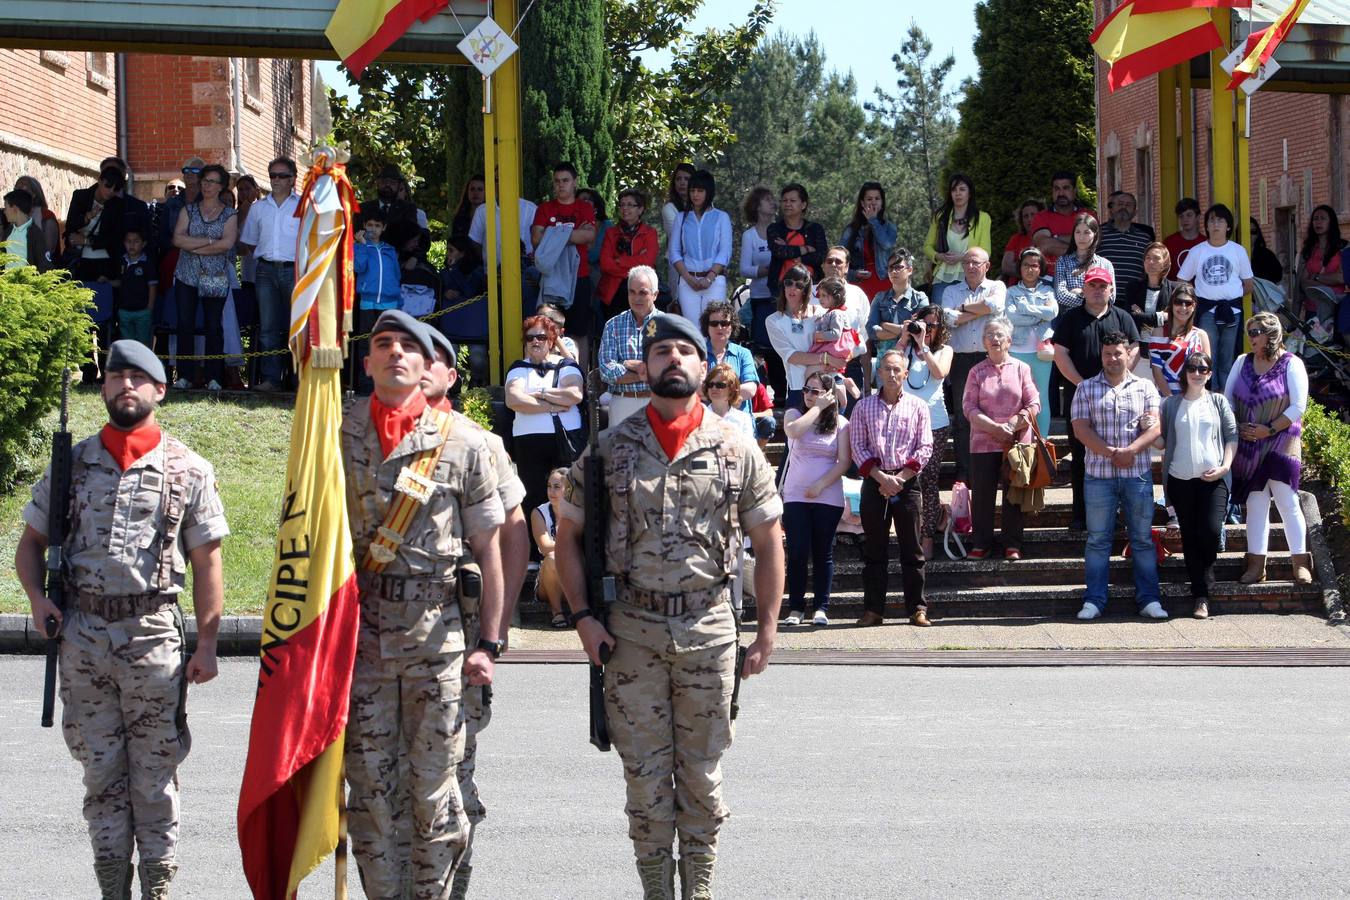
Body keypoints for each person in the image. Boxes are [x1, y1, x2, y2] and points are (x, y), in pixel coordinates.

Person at [552, 313, 785, 900]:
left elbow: (768, 541)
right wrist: (582, 616)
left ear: (704, 367)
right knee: (645, 779)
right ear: (645, 367)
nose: (674, 360)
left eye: (685, 351)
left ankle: (699, 889)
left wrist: (767, 633)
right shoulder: (609, 449)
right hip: (630, 631)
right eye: (662, 352)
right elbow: (569, 536)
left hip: (709, 628)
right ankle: (657, 890)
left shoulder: (736, 447)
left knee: (703, 777)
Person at [14, 340, 227, 899]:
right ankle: (113, 887)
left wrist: (207, 642)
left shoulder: (189, 469)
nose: (125, 386)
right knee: (100, 772)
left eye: (139, 378)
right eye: (116, 377)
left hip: (153, 634)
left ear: (159, 390)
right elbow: (30, 545)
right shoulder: (73, 463)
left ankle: (156, 889)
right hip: (82, 637)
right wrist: (38, 601)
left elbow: (208, 561)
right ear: (103, 388)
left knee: (154, 776)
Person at [340, 310, 505, 899]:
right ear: (367, 362)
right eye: (382, 344)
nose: (395, 354)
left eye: (407, 346)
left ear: (423, 363)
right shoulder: (333, 435)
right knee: (369, 791)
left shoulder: (462, 443)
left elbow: (491, 551)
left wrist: (489, 643)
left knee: (435, 791)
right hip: (359, 644)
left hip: (438, 641)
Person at [417, 323, 529, 898]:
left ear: (452, 376)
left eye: (433, 359)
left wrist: (496, 627)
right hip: (390, 634)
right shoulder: (368, 438)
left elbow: (514, 536)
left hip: (457, 629)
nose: (419, 366)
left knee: (455, 767)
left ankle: (456, 886)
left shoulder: (480, 444)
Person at [1070, 331, 1166, 620]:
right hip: (1099, 475)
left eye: (1118, 353)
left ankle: (1149, 599)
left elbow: (1155, 427)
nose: (1112, 358)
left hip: (1137, 474)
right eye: (1107, 353)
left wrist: (1131, 451)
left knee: (1142, 539)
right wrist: (1113, 452)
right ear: (1102, 355)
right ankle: (1094, 600)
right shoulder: (1085, 388)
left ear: (1128, 354)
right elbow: (1080, 429)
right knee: (1098, 539)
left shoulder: (1146, 387)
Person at [1225, 312, 1312, 585]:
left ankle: (1300, 563)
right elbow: (1227, 399)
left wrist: (1270, 428)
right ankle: (1256, 565)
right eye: (1249, 333)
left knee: (1287, 500)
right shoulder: (1242, 362)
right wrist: (1237, 426)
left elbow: (1299, 406)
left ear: (1271, 335)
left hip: (1281, 440)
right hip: (1249, 444)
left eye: (1256, 333)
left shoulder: (1291, 364)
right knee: (1255, 503)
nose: (1251, 338)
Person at [1052, 266, 1141, 531]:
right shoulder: (1070, 318)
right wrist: (1084, 385)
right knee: (1081, 456)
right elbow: (1060, 353)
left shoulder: (1123, 317)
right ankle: (1081, 516)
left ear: (1111, 289)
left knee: (1116, 454)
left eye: (1103, 286)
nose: (1098, 290)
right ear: (1084, 289)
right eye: (1093, 285)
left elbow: (1134, 348)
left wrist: (1120, 380)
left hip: (1118, 399)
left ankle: (1117, 516)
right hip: (1081, 398)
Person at [851, 349, 933, 626]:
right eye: (887, 368)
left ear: (906, 374)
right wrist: (881, 478)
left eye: (898, 369)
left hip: (907, 484)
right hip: (875, 483)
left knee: (912, 549)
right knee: (875, 550)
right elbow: (858, 447)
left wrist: (900, 477)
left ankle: (917, 609)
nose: (892, 373)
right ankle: (873, 610)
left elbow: (925, 447)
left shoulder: (918, 406)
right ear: (879, 372)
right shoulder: (863, 407)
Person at [1156, 351, 1237, 618]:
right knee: (1190, 538)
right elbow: (1162, 442)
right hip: (1180, 480)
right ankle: (1201, 595)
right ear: (1185, 372)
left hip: (1214, 480)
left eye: (1203, 369)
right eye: (1192, 368)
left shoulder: (1218, 401)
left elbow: (1231, 437)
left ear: (1210, 374)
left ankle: (1206, 577)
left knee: (1212, 532)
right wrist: (1146, 427)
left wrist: (1225, 466)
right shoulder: (1170, 405)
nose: (1197, 373)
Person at [963, 318, 1040, 560]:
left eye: (1000, 335)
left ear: (1009, 340)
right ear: (984, 342)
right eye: (990, 335)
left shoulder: (1021, 368)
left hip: (1016, 443)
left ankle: (1012, 544)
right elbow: (968, 407)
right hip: (983, 443)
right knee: (983, 495)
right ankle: (981, 543)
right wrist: (995, 428)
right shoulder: (976, 371)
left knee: (1014, 495)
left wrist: (1011, 425)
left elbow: (1034, 403)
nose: (995, 339)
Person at [781, 371, 852, 626]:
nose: (809, 395)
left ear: (829, 395)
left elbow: (844, 461)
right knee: (798, 551)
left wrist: (820, 484)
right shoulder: (795, 414)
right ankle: (796, 608)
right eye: (807, 390)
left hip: (827, 495)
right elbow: (793, 432)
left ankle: (821, 606)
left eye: (816, 391)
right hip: (795, 495)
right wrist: (816, 408)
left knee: (823, 553)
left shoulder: (841, 423)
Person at [506, 313, 585, 533]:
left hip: (565, 439)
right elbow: (514, 399)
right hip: (529, 442)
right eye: (530, 338)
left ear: (551, 340)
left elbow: (574, 395)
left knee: (568, 493)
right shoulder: (518, 368)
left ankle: (571, 546)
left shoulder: (566, 365)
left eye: (540, 337)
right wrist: (552, 406)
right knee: (532, 494)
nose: (535, 342)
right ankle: (535, 552)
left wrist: (538, 393)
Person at [941, 247, 1007, 483]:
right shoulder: (951, 290)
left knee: (994, 413)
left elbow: (994, 306)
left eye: (975, 262)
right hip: (961, 361)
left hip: (990, 358)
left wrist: (961, 311)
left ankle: (994, 470)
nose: (970, 266)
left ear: (987, 266)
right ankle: (965, 471)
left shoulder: (997, 287)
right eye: (967, 262)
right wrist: (980, 309)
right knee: (962, 416)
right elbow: (948, 320)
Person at [171, 163, 236, 391]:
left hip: (215, 276)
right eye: (205, 180)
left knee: (213, 327)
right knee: (185, 325)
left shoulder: (229, 214)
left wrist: (195, 246)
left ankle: (214, 378)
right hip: (186, 276)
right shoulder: (188, 210)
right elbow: (178, 239)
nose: (206, 185)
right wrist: (210, 242)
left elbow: (227, 244)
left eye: (212, 181)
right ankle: (185, 376)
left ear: (221, 186)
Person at [239, 157, 301, 392]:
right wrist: (268, 258)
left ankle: (299, 380)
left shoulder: (303, 205)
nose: (275, 180)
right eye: (272, 175)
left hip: (295, 270)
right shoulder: (258, 208)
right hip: (264, 271)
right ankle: (271, 379)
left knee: (298, 326)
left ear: (293, 179)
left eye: (281, 176)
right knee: (268, 328)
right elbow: (250, 243)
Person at [1176, 203, 1253, 389]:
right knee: (1208, 356)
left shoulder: (1237, 250)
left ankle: (1227, 397)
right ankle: (1209, 394)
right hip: (1206, 310)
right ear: (1207, 226)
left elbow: (1249, 284)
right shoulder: (1197, 251)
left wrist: (1232, 297)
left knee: (1228, 357)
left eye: (1220, 220)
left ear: (1228, 226)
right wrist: (1193, 300)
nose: (1215, 224)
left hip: (1232, 311)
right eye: (1212, 220)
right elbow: (1182, 281)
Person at [896, 304, 951, 559]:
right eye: (923, 324)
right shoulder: (905, 349)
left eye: (932, 326)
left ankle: (927, 536)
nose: (926, 330)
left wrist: (924, 346)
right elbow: (890, 370)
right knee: (907, 480)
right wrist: (904, 338)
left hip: (935, 423)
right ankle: (909, 534)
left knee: (928, 481)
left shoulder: (943, 350)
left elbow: (939, 372)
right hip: (905, 423)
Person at [599, 265, 662, 425]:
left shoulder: (668, 325)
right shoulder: (613, 325)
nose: (636, 298)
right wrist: (645, 373)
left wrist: (627, 365)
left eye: (643, 292)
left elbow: (667, 370)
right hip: (622, 403)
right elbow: (606, 371)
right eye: (632, 292)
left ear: (655, 295)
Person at [668, 169, 732, 323]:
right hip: (687, 281)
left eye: (700, 190)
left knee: (714, 327)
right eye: (692, 190)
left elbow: (725, 252)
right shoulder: (681, 217)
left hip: (714, 281)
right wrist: (688, 278)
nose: (695, 195)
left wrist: (709, 278)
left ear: (708, 192)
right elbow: (674, 252)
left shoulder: (721, 217)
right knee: (693, 331)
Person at [1005, 248, 1057, 435]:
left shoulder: (1048, 290)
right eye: (1026, 265)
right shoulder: (1010, 292)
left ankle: (1041, 439)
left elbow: (1052, 313)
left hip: (1041, 353)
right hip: (1016, 350)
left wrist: (1026, 308)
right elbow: (1012, 317)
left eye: (1034, 265)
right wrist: (1038, 314)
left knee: (1041, 396)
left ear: (1040, 268)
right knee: (1016, 396)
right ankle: (1018, 440)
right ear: (1020, 267)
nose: (1030, 269)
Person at [766, 264, 830, 410]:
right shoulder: (773, 320)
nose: (792, 288)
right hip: (798, 389)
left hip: (825, 386)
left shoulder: (821, 313)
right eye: (788, 283)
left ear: (806, 289)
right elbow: (792, 356)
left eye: (798, 285)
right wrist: (826, 358)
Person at [351, 209, 402, 395]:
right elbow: (359, 267)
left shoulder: (390, 250)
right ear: (364, 226)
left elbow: (396, 276)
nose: (373, 229)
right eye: (370, 225)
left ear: (384, 228)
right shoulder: (358, 247)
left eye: (377, 226)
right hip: (368, 303)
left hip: (390, 304)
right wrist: (362, 245)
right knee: (366, 344)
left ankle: (387, 385)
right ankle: (366, 386)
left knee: (388, 344)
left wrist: (399, 300)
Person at [924, 173, 992, 305]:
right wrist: (939, 256)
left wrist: (962, 257)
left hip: (971, 275)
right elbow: (927, 246)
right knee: (940, 319)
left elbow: (986, 252)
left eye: (962, 189)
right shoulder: (939, 217)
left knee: (967, 316)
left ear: (970, 193)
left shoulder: (983, 218)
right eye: (954, 190)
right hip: (942, 276)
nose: (958, 194)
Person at [596, 188, 659, 324]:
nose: (625, 208)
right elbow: (605, 264)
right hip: (613, 291)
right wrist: (636, 261)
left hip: (642, 288)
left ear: (641, 209)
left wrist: (619, 260)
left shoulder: (649, 233)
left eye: (630, 205)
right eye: (622, 204)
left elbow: (647, 262)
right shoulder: (611, 233)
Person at [817, 246, 874, 396]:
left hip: (849, 364)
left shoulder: (857, 294)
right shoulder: (811, 294)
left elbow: (863, 336)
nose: (834, 264)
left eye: (838, 261)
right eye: (830, 261)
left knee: (850, 418)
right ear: (823, 265)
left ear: (847, 267)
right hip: (816, 366)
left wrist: (867, 385)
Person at [740, 186, 779, 392]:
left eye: (773, 199)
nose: (773, 202)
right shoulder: (750, 235)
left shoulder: (780, 230)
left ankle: (782, 392)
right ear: (756, 205)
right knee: (764, 346)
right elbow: (744, 268)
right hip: (760, 297)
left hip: (782, 298)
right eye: (767, 199)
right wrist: (767, 271)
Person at [866, 248, 928, 371]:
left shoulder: (920, 298)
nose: (894, 271)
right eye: (890, 268)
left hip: (911, 362)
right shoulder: (880, 297)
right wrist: (902, 330)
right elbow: (870, 329)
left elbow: (918, 330)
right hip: (884, 361)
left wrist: (884, 325)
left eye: (899, 267)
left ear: (910, 270)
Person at [1124, 242, 1178, 379]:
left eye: (1156, 258)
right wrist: (1160, 317)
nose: (1151, 262)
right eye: (1147, 258)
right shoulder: (1133, 288)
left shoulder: (1175, 290)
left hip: (1166, 354)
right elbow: (1129, 318)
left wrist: (1141, 315)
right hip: (1140, 354)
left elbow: (1174, 319)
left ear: (1165, 263)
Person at [66, 166, 128, 281]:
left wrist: (86, 241)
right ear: (100, 180)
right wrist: (86, 218)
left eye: (116, 189)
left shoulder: (117, 205)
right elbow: (70, 226)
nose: (110, 191)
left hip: (105, 262)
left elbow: (115, 238)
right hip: (78, 259)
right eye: (108, 186)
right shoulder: (80, 196)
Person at [1148, 282, 1211, 397]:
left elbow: (1205, 372)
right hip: (1166, 398)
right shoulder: (1158, 333)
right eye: (1178, 302)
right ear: (1172, 304)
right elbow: (1157, 371)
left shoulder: (1201, 335)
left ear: (1194, 306)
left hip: (1195, 399)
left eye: (1188, 303)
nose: (1183, 307)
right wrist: (1171, 399)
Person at [701, 299, 760, 419]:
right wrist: (731, 394)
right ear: (707, 327)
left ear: (732, 326)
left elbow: (750, 389)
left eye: (724, 323)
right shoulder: (697, 354)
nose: (719, 327)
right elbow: (695, 389)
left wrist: (717, 393)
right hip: (707, 421)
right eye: (714, 323)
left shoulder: (744, 354)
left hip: (739, 422)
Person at [767, 182, 827, 298]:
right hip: (780, 289)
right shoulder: (774, 228)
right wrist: (806, 249)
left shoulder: (815, 229)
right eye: (784, 201)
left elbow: (821, 256)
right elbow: (779, 252)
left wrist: (794, 254)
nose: (787, 204)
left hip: (812, 286)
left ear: (803, 205)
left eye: (792, 201)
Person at [840, 181, 896, 300]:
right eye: (869, 199)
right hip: (859, 283)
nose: (873, 202)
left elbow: (886, 244)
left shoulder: (890, 227)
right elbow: (840, 258)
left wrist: (873, 221)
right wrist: (853, 274)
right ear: (862, 203)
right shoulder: (851, 230)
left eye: (877, 198)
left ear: (882, 203)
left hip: (883, 279)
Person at [531, 468, 571, 628]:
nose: (551, 491)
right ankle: (557, 612)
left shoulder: (578, 510)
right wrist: (571, 545)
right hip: (548, 581)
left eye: (557, 487)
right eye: (549, 486)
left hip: (574, 573)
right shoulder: (539, 512)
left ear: (568, 489)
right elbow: (545, 547)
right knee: (552, 558)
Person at [1030, 170, 1091, 273]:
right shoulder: (1041, 217)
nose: (1061, 193)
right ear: (1052, 192)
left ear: (1075, 191)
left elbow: (1093, 243)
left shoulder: (1088, 215)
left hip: (1082, 274)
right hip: (1049, 277)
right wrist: (1081, 249)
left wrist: (1055, 237)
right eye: (1057, 189)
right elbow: (1045, 245)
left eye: (1066, 188)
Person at [1296, 204, 1346, 328]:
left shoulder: (1343, 248)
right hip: (1312, 310)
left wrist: (1316, 277)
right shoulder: (1307, 250)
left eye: (1323, 218)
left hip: (1337, 307)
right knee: (1313, 346)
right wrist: (1329, 282)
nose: (1318, 222)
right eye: (1315, 218)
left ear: (1331, 222)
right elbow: (1302, 283)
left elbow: (1342, 278)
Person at [1053, 213, 1114, 312]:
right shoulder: (1063, 261)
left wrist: (1080, 292)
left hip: (1097, 319)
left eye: (1086, 232)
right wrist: (1093, 300)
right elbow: (1061, 296)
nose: (1081, 237)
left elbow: (1111, 297)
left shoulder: (1105, 264)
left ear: (1095, 234)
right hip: (1070, 320)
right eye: (1078, 232)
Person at [1098, 190, 1154, 294]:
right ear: (1112, 209)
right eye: (1120, 204)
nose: (1123, 207)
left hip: (1134, 299)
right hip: (1103, 296)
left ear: (1135, 212)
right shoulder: (1098, 234)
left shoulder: (1144, 238)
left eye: (1128, 205)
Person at [806, 275, 860, 382]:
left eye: (824, 295)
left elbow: (835, 334)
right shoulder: (831, 312)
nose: (820, 299)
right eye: (819, 295)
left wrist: (818, 336)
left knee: (810, 372)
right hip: (833, 349)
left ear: (836, 297)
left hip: (834, 348)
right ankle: (842, 384)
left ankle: (843, 384)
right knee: (828, 374)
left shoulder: (836, 313)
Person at [115, 227, 157, 346]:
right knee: (127, 343)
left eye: (136, 241)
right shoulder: (122, 261)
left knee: (143, 344)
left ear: (143, 244)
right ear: (124, 243)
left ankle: (142, 364)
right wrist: (107, 281)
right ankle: (129, 364)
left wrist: (149, 308)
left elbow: (152, 287)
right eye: (128, 241)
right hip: (124, 311)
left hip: (143, 311)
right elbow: (120, 282)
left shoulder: (147, 264)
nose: (132, 245)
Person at [660, 162, 696, 298]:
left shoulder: (706, 207)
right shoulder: (669, 209)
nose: (682, 182)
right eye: (678, 179)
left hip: (703, 268)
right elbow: (680, 239)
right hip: (679, 266)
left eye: (686, 179)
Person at [359, 163, 419, 232]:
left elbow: (410, 234)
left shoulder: (408, 209)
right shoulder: (363, 208)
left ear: (399, 186)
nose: (387, 185)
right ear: (377, 184)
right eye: (384, 181)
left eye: (392, 182)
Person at [14, 175, 61, 261]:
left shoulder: (46, 216)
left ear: (34, 194)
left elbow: (48, 251)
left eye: (23, 188)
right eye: (16, 189)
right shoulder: (10, 216)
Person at [702, 362, 755, 439]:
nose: (714, 388)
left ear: (731, 389)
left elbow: (748, 448)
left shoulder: (743, 419)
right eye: (710, 385)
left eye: (720, 385)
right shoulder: (700, 417)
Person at [2, 188, 49, 270]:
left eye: (6, 208)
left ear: (14, 209)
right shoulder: (8, 232)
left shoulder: (35, 234)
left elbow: (44, 264)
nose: (4, 212)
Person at [1000, 199, 1045, 284]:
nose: (1029, 219)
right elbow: (1006, 266)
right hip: (1016, 287)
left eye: (1033, 215)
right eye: (1025, 216)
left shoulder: (1048, 239)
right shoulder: (1016, 239)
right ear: (1021, 220)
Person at [1163, 197, 1205, 280]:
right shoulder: (1169, 243)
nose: (1185, 219)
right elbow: (1162, 272)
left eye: (1189, 215)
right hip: (1175, 291)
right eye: (1181, 216)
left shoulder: (1206, 243)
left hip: (1201, 292)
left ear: (1198, 216)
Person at [450, 173, 486, 241]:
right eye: (472, 189)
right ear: (467, 192)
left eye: (480, 189)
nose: (475, 193)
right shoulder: (460, 217)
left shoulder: (492, 216)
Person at [1251, 218, 1285, 285]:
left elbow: (1278, 275)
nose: (1249, 235)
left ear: (1258, 234)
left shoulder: (1266, 255)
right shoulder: (1232, 253)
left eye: (1253, 231)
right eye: (1245, 231)